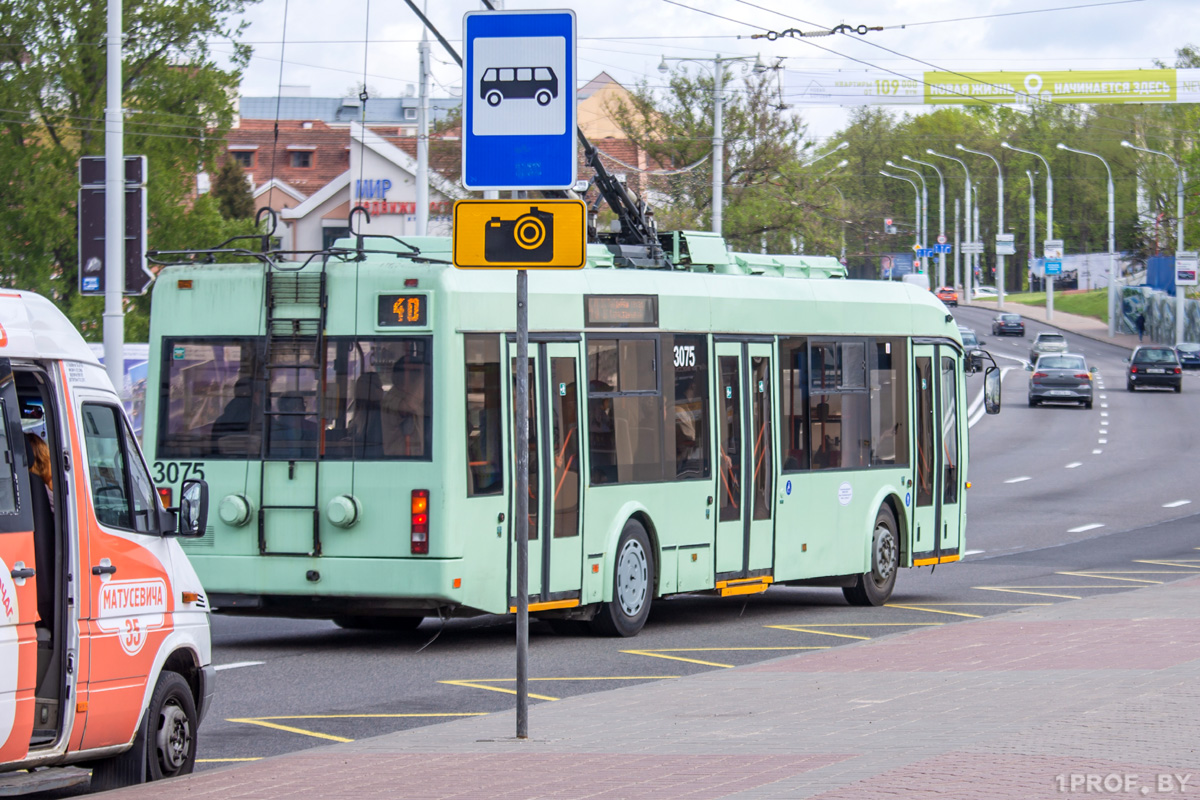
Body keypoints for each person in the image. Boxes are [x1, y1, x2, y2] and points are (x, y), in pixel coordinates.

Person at [382, 358, 427, 457]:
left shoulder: (413, 397)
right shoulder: (392, 398)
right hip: (400, 463)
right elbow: (408, 407)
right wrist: (424, 375)